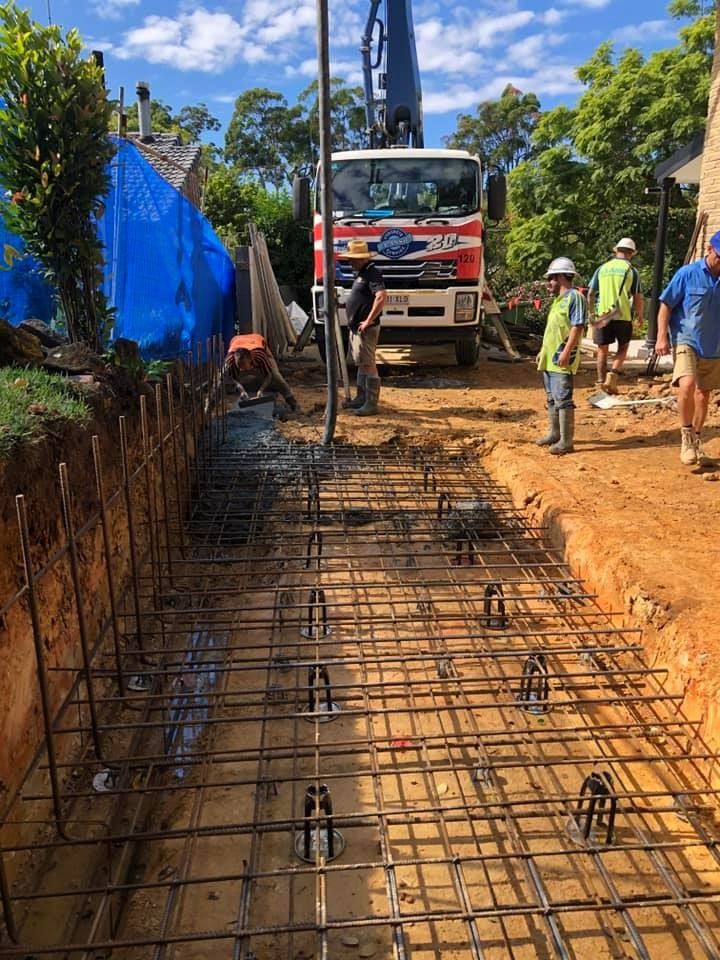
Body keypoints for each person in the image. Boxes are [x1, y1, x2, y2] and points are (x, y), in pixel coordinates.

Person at [656, 232, 720, 466]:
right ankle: (686, 436)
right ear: (709, 250)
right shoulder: (687, 274)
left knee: (703, 394)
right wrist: (661, 336)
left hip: (714, 345)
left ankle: (696, 439)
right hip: (686, 339)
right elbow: (666, 304)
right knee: (687, 384)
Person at [536, 256, 587, 455]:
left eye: (551, 278)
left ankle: (566, 441)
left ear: (562, 277)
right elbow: (553, 330)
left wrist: (566, 352)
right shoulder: (558, 300)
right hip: (550, 359)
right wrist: (543, 351)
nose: (549, 282)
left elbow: (577, 326)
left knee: (563, 399)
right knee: (551, 398)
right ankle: (555, 433)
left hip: (561, 358)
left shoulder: (575, 298)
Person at [587, 238, 644, 395]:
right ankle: (612, 376)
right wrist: (640, 316)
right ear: (631, 253)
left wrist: (591, 313)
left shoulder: (602, 268)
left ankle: (600, 381)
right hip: (623, 314)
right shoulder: (632, 271)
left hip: (603, 315)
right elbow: (638, 297)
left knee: (602, 350)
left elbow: (590, 294)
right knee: (623, 347)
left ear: (616, 250)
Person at [340, 238, 387, 416]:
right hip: (358, 328)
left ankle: (371, 403)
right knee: (361, 363)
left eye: (353, 258)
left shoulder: (372, 273)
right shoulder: (362, 273)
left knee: (368, 363)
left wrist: (368, 320)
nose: (349, 261)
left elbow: (381, 296)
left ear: (362, 258)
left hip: (366, 329)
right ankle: (362, 398)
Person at [224, 332, 298, 412]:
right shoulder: (230, 361)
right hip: (237, 341)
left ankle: (291, 401)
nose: (241, 370)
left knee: (276, 376)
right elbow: (232, 378)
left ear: (250, 360)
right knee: (223, 378)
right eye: (239, 367)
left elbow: (269, 375)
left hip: (257, 341)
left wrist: (261, 390)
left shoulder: (260, 356)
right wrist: (241, 390)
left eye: (244, 366)